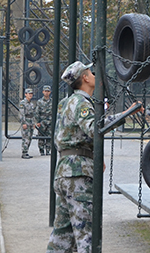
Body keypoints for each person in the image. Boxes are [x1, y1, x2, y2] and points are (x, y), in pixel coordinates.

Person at [46, 61, 97, 252]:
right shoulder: (81, 103)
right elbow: (94, 128)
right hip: (78, 174)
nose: (94, 76)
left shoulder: (65, 103)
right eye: (91, 72)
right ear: (84, 77)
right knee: (86, 233)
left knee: (61, 236)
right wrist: (124, 115)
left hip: (64, 171)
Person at [36, 85, 54, 156]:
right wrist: (37, 122)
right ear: (43, 92)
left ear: (50, 92)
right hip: (42, 121)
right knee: (41, 136)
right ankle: (41, 150)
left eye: (48, 91)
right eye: (45, 91)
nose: (47, 93)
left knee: (49, 136)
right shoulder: (39, 102)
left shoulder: (52, 101)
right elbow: (37, 112)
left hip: (50, 121)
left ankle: (48, 150)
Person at [19, 87, 37, 158]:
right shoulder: (23, 103)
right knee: (25, 137)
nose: (30, 95)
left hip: (30, 122)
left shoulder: (31, 104)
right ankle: (24, 152)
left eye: (31, 94)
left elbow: (33, 114)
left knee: (29, 137)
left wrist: (33, 123)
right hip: (26, 121)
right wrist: (23, 123)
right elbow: (21, 114)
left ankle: (26, 152)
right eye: (29, 93)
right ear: (25, 94)